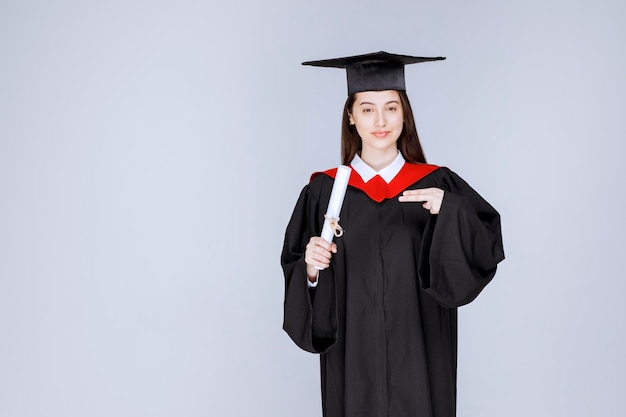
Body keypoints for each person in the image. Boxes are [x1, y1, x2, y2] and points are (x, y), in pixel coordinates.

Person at [281, 51, 505, 417]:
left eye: (391, 108)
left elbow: (483, 247)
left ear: (405, 115)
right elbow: (299, 274)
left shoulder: (436, 183)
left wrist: (450, 212)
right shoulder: (323, 192)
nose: (380, 120)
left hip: (422, 352)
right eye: (367, 109)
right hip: (353, 359)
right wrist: (309, 269)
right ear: (351, 117)